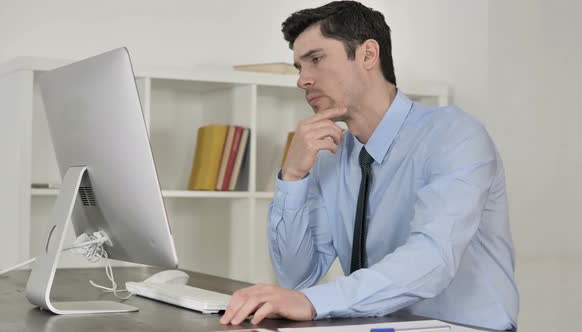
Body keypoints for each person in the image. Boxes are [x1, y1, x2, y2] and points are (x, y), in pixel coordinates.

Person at [220, 1, 519, 330]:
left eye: (316, 60)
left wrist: (313, 302)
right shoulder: (331, 155)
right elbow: (297, 278)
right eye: (298, 67)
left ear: (367, 54)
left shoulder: (455, 136)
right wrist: (292, 177)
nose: (302, 81)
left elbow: (432, 259)